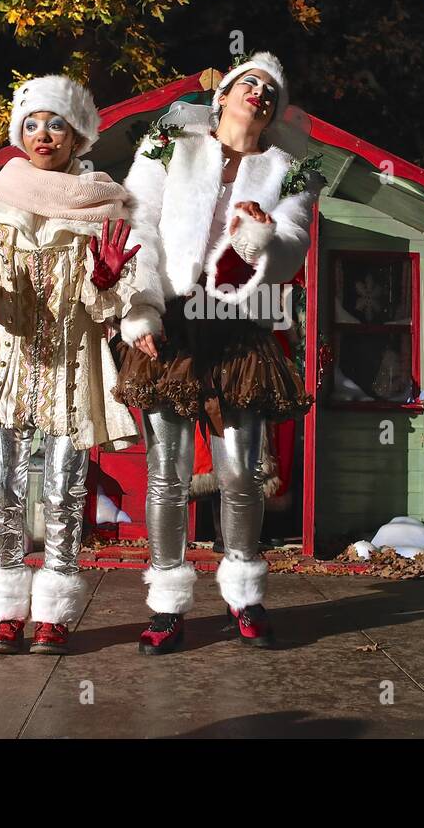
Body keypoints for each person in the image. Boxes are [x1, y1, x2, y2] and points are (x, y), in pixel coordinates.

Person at [0, 75, 148, 655]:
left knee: (67, 488)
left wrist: (105, 280)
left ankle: (54, 614)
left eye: (56, 123)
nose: (44, 134)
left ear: (77, 136)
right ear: (21, 133)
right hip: (9, 358)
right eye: (33, 123)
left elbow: (107, 304)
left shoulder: (103, 203)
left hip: (72, 361)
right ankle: (6, 612)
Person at [114, 51, 317, 654]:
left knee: (239, 473)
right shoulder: (168, 146)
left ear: (274, 111)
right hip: (171, 321)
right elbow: (136, 222)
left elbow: (294, 242)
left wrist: (258, 238)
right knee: (166, 475)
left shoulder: (290, 169)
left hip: (237, 322)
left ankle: (244, 595)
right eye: (247, 83)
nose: (257, 93)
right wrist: (139, 307)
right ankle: (168, 607)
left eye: (269, 91)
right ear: (223, 95)